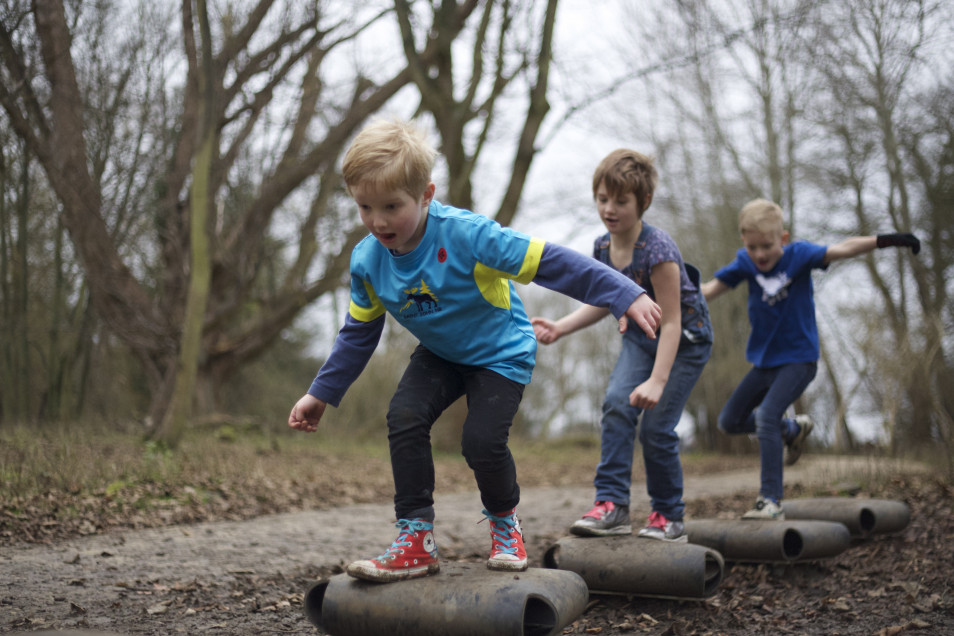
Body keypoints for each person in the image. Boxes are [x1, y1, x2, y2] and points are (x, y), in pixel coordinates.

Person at [288, 119, 662, 583]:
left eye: (391, 206)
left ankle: (505, 524)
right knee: (403, 415)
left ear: (425, 194)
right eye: (365, 206)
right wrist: (321, 391)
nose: (379, 220)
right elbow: (359, 333)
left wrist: (623, 292)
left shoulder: (467, 235)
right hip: (442, 353)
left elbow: (552, 263)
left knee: (481, 443)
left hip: (500, 352)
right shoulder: (367, 260)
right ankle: (415, 539)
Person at [531, 149, 713, 543]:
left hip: (683, 343)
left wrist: (658, 382)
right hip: (640, 338)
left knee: (657, 427)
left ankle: (669, 515)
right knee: (616, 402)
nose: (609, 209)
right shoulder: (602, 248)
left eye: (621, 201)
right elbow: (602, 299)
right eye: (602, 199)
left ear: (643, 202)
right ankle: (612, 505)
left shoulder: (659, 252)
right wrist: (561, 327)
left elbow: (673, 322)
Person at [700, 198, 920, 519]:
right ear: (743, 242)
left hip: (799, 360)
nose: (759, 254)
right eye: (752, 247)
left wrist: (888, 240)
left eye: (767, 246)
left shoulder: (799, 255)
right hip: (764, 363)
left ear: (783, 239)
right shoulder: (745, 263)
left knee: (766, 417)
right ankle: (791, 429)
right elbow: (707, 290)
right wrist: (660, 290)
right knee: (729, 421)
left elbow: (843, 248)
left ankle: (770, 500)